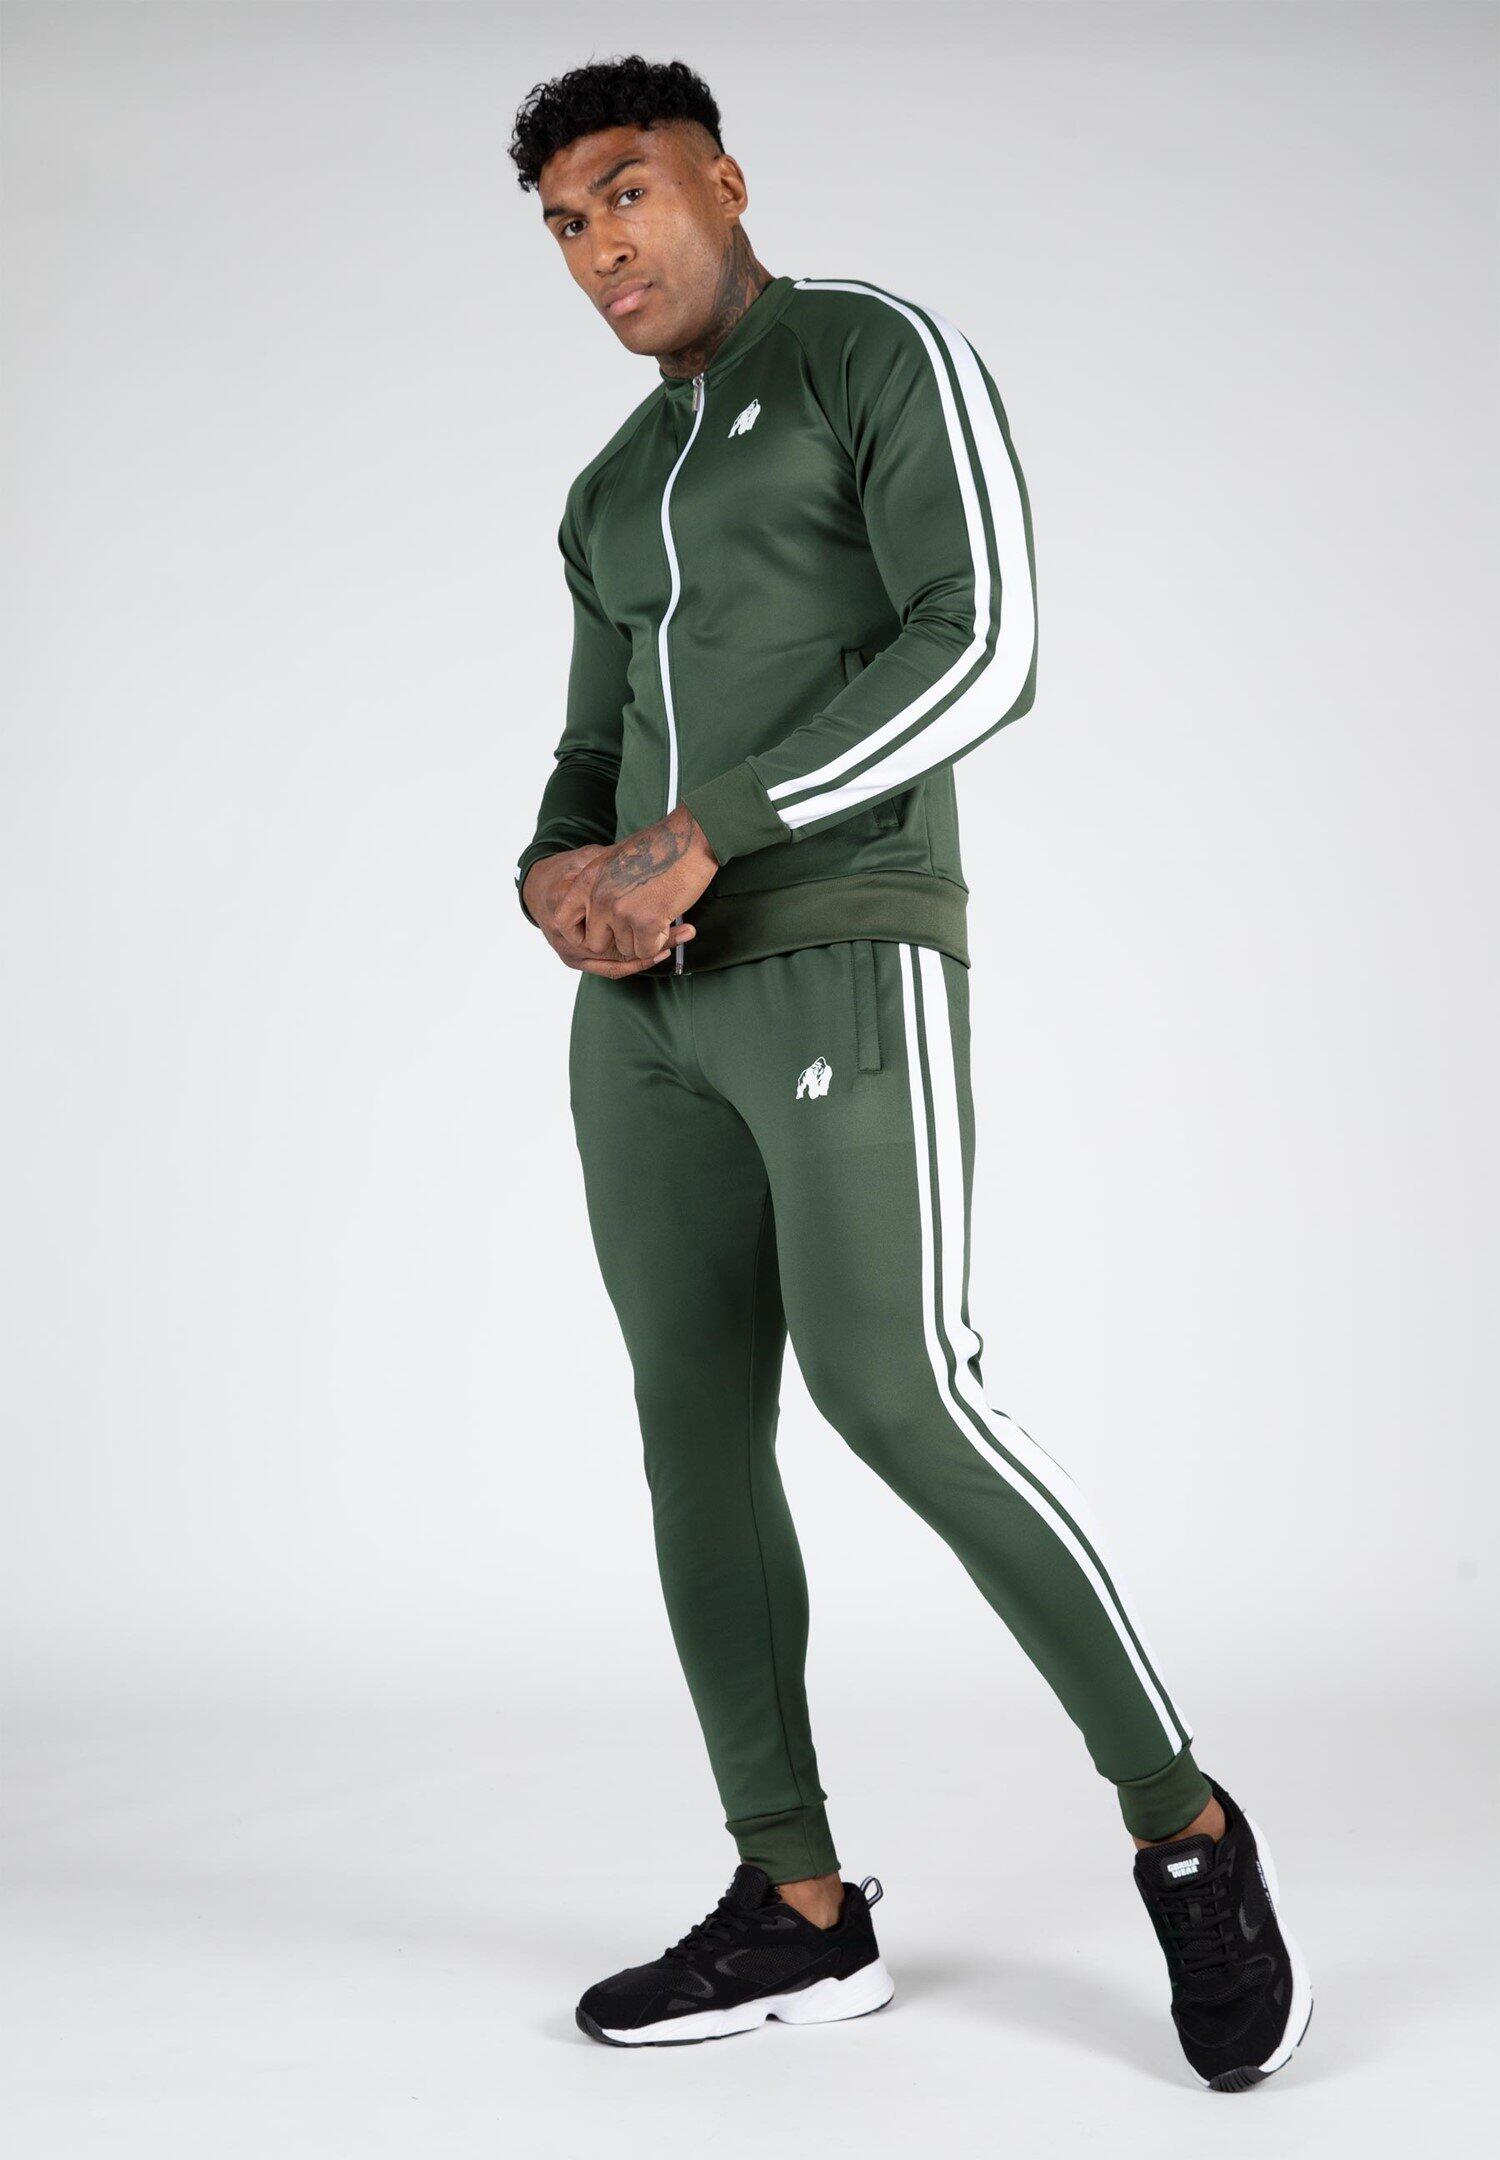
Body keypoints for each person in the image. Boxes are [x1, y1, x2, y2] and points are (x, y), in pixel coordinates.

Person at [511, 54, 1310, 2088]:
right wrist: (554, 868)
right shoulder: (609, 486)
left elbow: (984, 639)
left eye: (627, 194)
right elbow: (590, 748)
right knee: (693, 1432)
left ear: (722, 181)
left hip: (841, 958)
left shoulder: (871, 355)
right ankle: (793, 1905)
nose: (600, 247)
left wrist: (712, 833)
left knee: (900, 1395)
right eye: (565, 225)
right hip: (645, 1022)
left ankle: (1183, 1824)